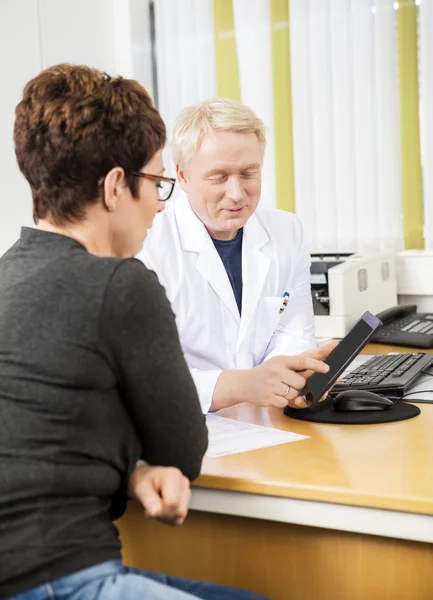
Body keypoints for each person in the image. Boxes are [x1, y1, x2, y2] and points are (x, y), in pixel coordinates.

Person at [0, 64, 269, 600]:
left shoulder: (7, 273)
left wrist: (130, 470)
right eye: (157, 183)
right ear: (116, 186)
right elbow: (182, 448)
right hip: (58, 577)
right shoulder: (121, 283)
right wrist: (143, 463)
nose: (162, 203)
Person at [139, 98, 335, 413]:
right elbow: (147, 376)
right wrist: (245, 385)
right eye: (219, 177)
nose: (236, 193)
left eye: (248, 173)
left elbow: (294, 333)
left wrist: (294, 377)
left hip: (270, 419)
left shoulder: (287, 231)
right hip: (191, 423)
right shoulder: (147, 242)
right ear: (183, 176)